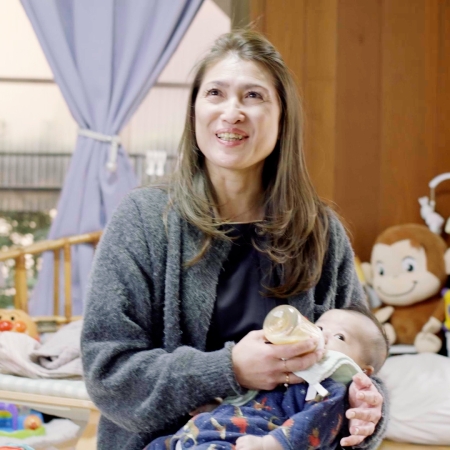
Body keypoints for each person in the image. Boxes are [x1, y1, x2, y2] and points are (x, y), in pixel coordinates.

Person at [81, 30, 387, 450]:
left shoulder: (321, 232)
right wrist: (230, 369)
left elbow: (361, 364)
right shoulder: (144, 220)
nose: (232, 112)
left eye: (253, 96)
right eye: (215, 93)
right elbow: (109, 374)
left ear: (282, 117)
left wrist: (369, 414)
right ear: (194, 111)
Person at [145, 306, 389, 450]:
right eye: (320, 327)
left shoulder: (330, 390)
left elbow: (312, 427)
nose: (321, 336)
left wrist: (271, 445)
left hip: (235, 442)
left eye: (340, 337)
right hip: (194, 432)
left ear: (363, 371)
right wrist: (216, 405)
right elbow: (250, 399)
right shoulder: (284, 367)